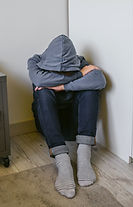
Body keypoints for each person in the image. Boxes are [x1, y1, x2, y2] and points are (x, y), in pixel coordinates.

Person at [27, 34, 106, 199]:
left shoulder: (79, 60)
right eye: (57, 71)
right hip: (50, 127)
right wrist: (79, 74)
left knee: (90, 89)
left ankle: (84, 155)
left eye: (67, 70)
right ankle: (63, 163)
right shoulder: (35, 62)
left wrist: (62, 86)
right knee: (43, 93)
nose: (62, 72)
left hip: (76, 127)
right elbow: (39, 79)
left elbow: (99, 79)